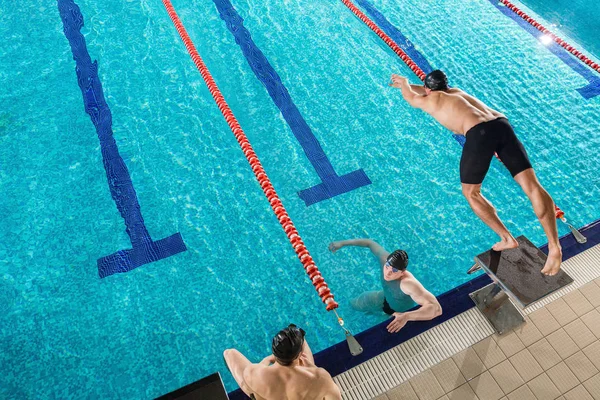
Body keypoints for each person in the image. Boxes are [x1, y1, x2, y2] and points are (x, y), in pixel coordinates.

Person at [389, 70, 562, 276]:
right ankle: (554, 247)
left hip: (479, 133)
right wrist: (411, 85)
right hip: (501, 124)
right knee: (532, 186)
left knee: (471, 193)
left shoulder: (431, 101)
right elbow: (425, 90)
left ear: (428, 89)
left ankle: (507, 238)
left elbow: (412, 96)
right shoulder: (456, 92)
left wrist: (405, 84)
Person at [328, 239, 442, 333]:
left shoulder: (408, 283)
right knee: (354, 304)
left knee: (377, 331)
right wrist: (342, 243)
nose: (388, 272)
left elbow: (436, 309)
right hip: (383, 298)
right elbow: (369, 243)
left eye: (394, 270)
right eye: (387, 266)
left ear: (402, 272)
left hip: (398, 313)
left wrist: (407, 316)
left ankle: (378, 314)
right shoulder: (385, 259)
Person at [223, 324, 342, 400]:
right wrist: (313, 368)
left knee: (229, 353)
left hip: (266, 391)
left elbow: (257, 370)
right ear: (300, 354)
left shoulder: (254, 372)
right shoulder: (319, 377)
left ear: (275, 353)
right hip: (306, 385)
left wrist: (266, 360)